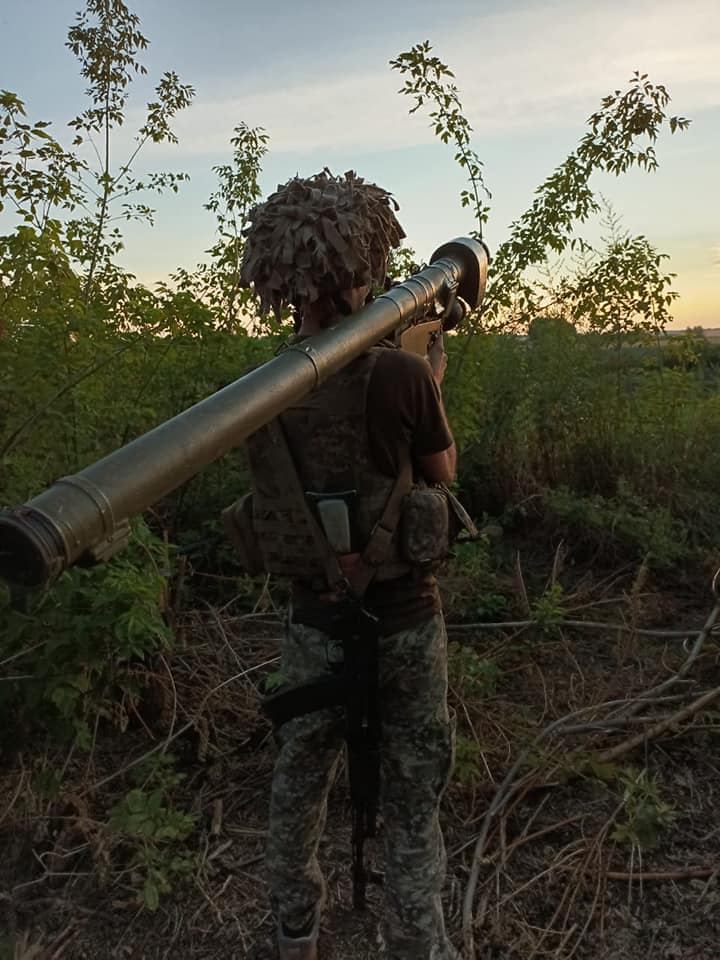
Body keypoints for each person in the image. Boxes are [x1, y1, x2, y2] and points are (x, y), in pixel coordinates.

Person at [238, 170, 459, 960]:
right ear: (366, 266)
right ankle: (418, 942)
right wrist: (429, 378)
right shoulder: (400, 373)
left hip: (314, 623)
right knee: (413, 794)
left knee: (298, 781)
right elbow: (442, 472)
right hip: (404, 622)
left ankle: (294, 931)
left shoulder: (261, 390)